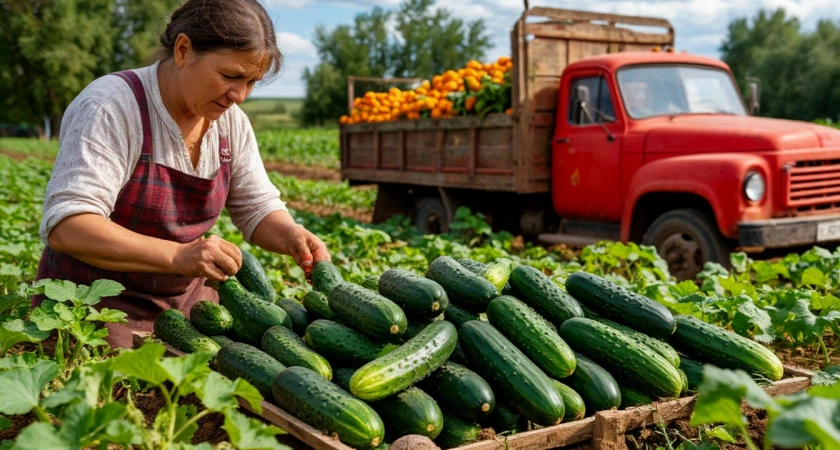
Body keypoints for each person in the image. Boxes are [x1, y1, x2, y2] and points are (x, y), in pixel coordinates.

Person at [34, 0, 330, 348]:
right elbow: (69, 227)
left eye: (252, 82)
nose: (240, 96)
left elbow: (257, 208)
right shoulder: (111, 106)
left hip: (187, 307)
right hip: (97, 305)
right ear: (184, 50)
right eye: (230, 76)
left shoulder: (230, 123)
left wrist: (292, 234)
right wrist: (179, 256)